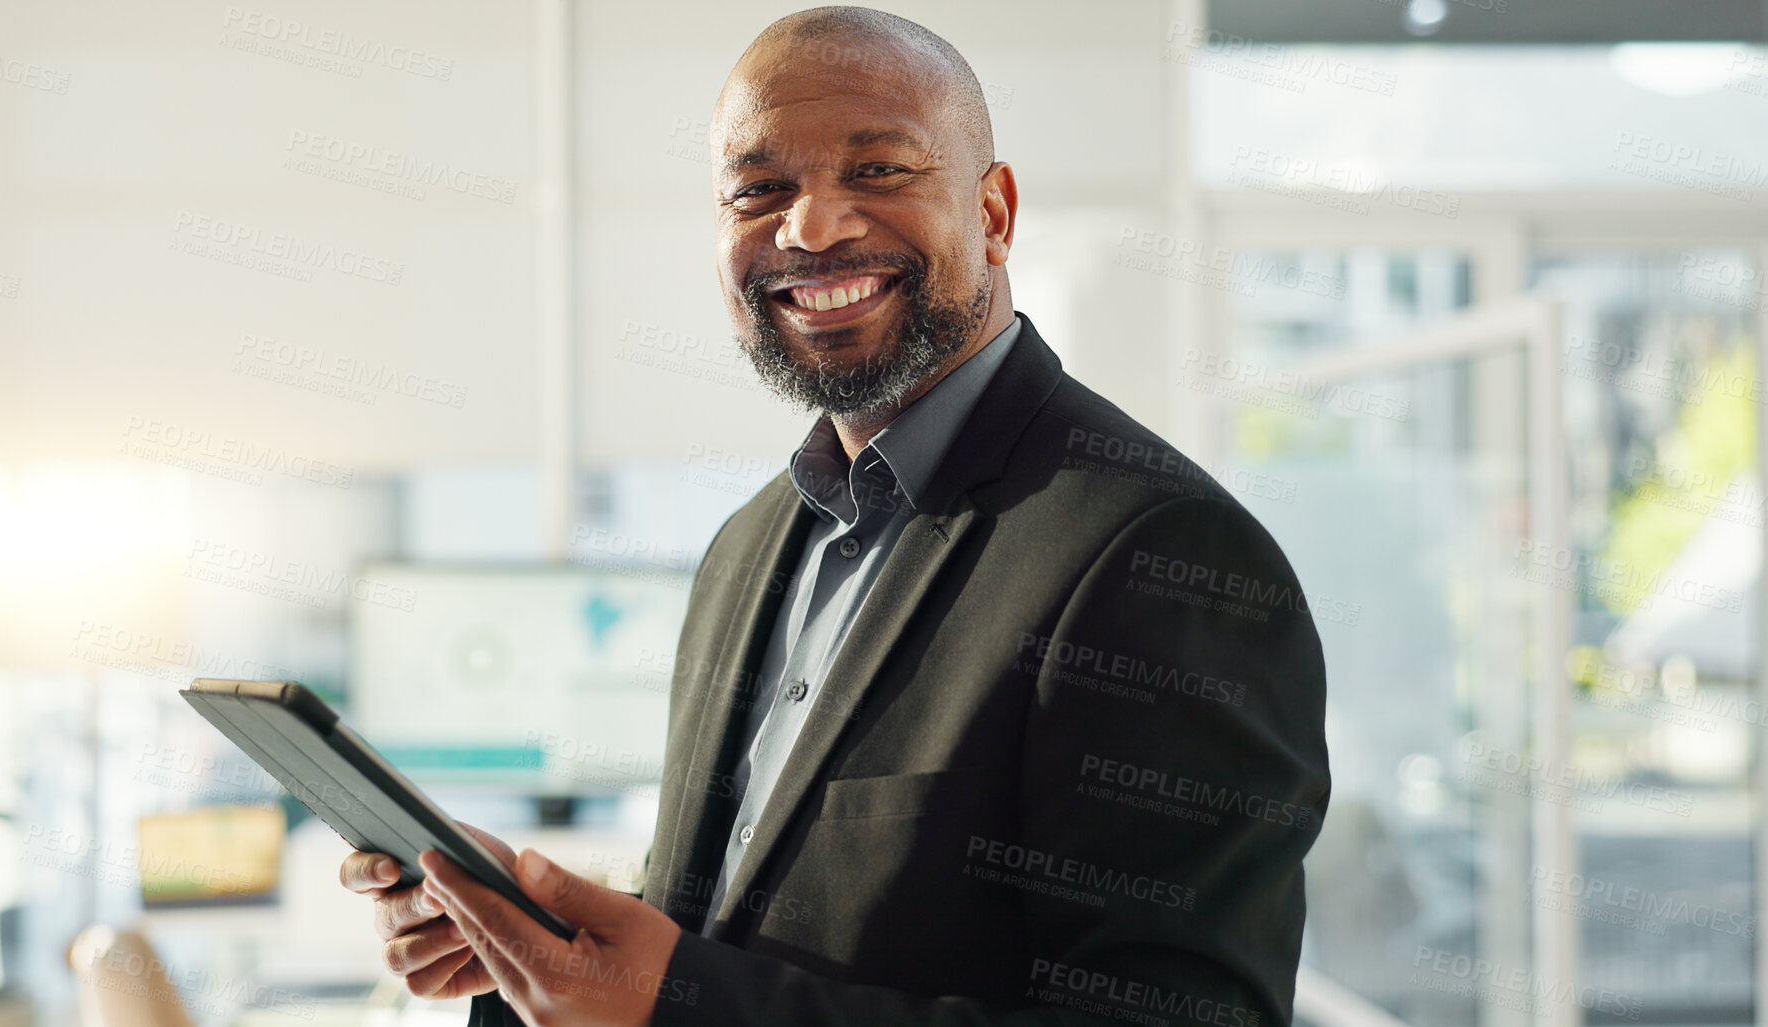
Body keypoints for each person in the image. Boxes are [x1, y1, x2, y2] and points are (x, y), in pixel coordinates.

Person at [341, 7, 1330, 1026]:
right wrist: (535, 942)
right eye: (758, 188)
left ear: (993, 213)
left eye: (881, 170)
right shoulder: (747, 548)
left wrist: (676, 1003)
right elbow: (727, 932)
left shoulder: (1160, 553)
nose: (811, 228)